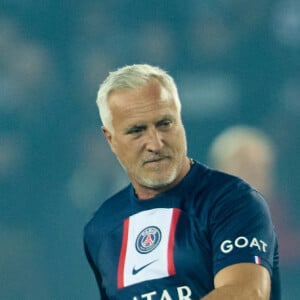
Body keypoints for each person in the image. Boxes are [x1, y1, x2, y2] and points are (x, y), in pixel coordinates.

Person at [83, 64, 280, 299]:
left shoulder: (232, 201)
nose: (155, 144)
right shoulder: (101, 228)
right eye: (137, 130)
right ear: (111, 139)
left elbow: (247, 293)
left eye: (165, 124)